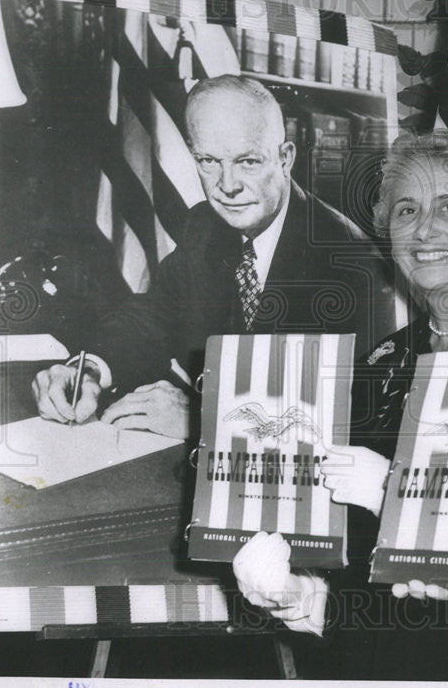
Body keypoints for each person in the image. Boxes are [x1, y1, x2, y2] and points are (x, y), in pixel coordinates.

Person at [231, 131, 448, 681]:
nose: (424, 229)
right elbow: (361, 557)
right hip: (375, 666)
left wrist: (392, 490)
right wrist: (308, 597)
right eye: (406, 210)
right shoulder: (378, 363)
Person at [31, 75, 395, 437]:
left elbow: (356, 413)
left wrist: (208, 419)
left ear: (285, 159)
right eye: (208, 160)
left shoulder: (351, 260)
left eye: (248, 161)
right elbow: (155, 314)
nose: (228, 186)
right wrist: (88, 370)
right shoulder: (205, 224)